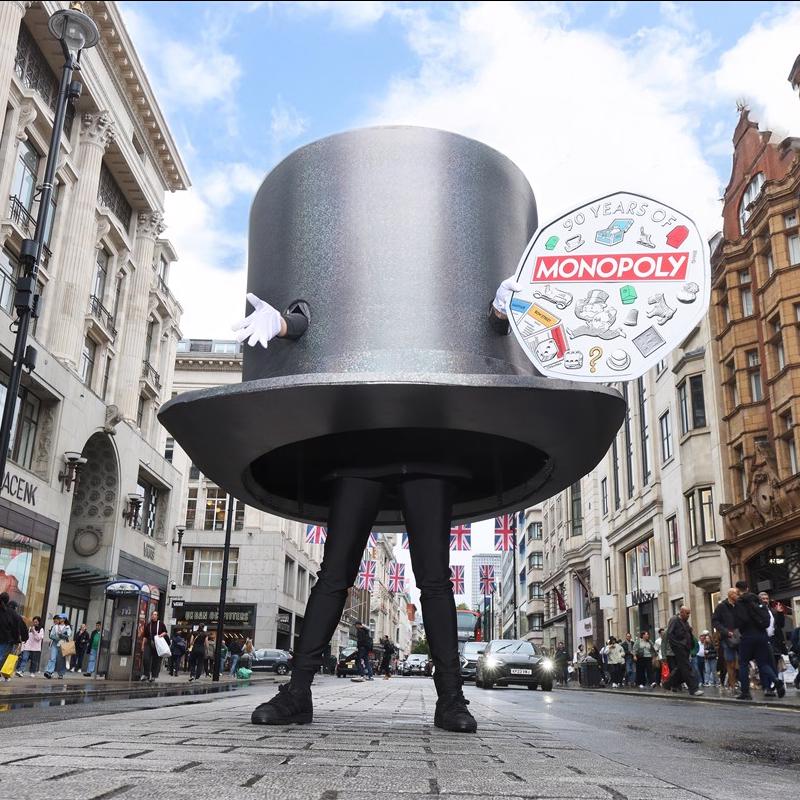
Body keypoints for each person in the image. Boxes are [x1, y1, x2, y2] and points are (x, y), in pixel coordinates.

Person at [734, 580, 782, 700]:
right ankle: (776, 680)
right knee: (763, 663)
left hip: (748, 636)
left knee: (743, 663)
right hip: (762, 635)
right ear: (747, 588)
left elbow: (741, 620)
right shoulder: (757, 599)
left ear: (738, 589)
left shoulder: (740, 602)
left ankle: (745, 692)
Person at [661, 607, 703, 696]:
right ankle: (693, 689)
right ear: (681, 612)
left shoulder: (685, 622)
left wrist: (691, 644)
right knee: (687, 667)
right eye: (687, 613)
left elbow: (689, 634)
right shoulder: (674, 620)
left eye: (689, 613)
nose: (688, 615)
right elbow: (670, 634)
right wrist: (678, 645)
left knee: (681, 668)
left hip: (686, 648)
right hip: (679, 648)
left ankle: (667, 684)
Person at [712, 589, 739, 690]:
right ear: (731, 595)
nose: (738, 595)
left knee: (739, 662)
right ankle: (732, 685)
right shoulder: (721, 606)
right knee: (730, 662)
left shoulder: (738, 606)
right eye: (736, 594)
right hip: (727, 639)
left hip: (739, 637)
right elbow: (715, 621)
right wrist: (725, 631)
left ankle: (737, 682)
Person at [0, 592, 27, 678]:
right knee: (3, 656)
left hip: (6, 638)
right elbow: (20, 628)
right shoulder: (14, 614)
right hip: (7, 639)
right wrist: (21, 639)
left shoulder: (4, 611)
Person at [141, 611, 168, 683]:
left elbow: (165, 632)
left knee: (156, 660)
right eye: (152, 614)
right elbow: (145, 636)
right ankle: (146, 674)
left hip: (157, 644)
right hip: (149, 643)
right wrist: (143, 645)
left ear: (157, 616)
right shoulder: (148, 625)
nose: (153, 616)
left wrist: (161, 635)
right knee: (146, 658)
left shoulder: (161, 624)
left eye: (155, 614)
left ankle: (153, 676)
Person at [43, 613, 72, 679]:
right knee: (52, 658)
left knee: (61, 660)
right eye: (59, 618)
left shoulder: (67, 627)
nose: (59, 619)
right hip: (55, 644)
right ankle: (49, 671)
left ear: (64, 619)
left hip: (63, 644)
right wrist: (57, 638)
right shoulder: (55, 626)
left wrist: (62, 635)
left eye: (61, 618)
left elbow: (68, 635)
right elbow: (51, 635)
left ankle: (61, 673)